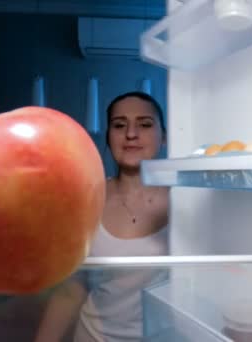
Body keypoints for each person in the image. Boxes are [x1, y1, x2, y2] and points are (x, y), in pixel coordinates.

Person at [34, 91, 170, 342]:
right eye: (119, 125)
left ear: (163, 137)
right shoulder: (87, 199)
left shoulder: (183, 201)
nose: (131, 134)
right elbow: (73, 286)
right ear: (108, 137)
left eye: (145, 124)